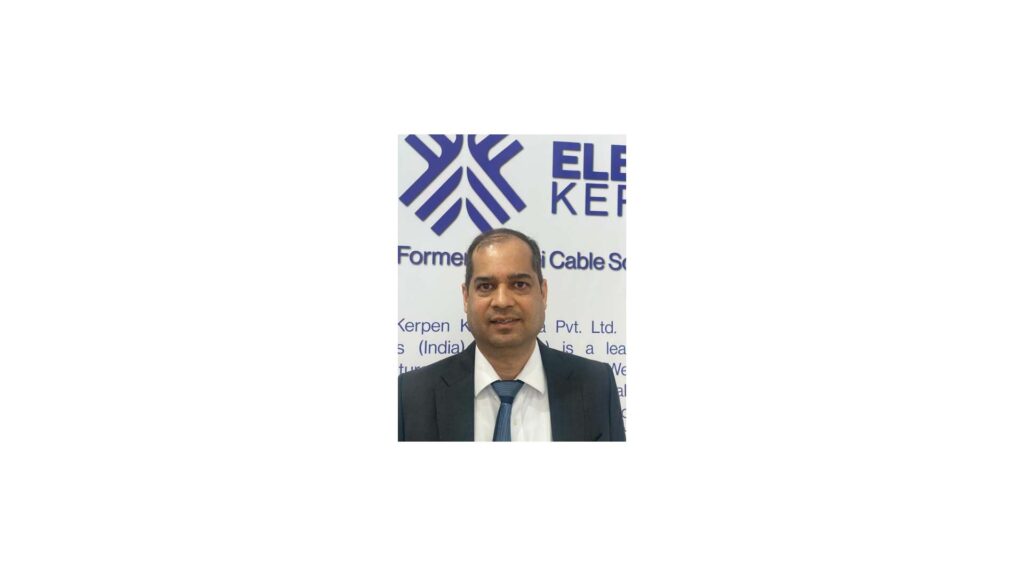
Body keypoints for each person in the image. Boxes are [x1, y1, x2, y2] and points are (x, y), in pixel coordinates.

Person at [398, 228, 626, 441]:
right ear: (466, 298)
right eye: (486, 286)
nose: (502, 301)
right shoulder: (412, 395)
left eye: (519, 284)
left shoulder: (595, 385)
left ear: (543, 293)